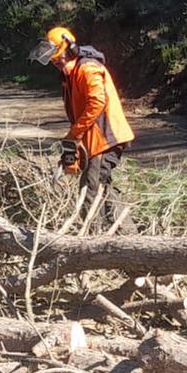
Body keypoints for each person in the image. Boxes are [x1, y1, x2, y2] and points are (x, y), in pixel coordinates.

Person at [30, 26, 135, 231]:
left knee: (90, 191)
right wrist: (73, 147)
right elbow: (79, 116)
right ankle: (129, 237)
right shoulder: (70, 76)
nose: (55, 62)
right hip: (95, 140)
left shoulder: (87, 68)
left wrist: (74, 135)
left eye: (57, 57)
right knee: (103, 189)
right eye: (52, 59)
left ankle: (92, 240)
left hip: (107, 138)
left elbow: (97, 102)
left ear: (68, 50)